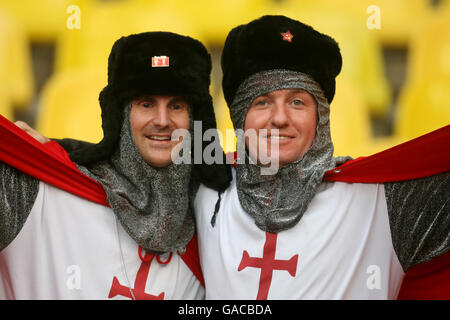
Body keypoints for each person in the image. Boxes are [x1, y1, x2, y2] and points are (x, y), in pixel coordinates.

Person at [193, 15, 450, 299]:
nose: (279, 118)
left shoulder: (383, 203)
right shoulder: (205, 190)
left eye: (297, 102)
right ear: (240, 117)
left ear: (320, 118)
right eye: (262, 102)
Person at [0, 31, 231, 299]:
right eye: (146, 103)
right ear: (121, 115)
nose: (162, 120)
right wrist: (26, 154)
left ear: (194, 119)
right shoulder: (40, 193)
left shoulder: (216, 212)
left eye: (176, 106)